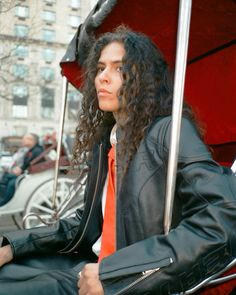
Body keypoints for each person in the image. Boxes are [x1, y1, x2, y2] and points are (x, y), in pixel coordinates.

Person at [0, 26, 236, 295]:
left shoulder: (169, 131)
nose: (103, 78)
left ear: (144, 79)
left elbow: (225, 213)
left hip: (128, 280)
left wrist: (116, 274)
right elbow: (90, 221)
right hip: (89, 264)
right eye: (100, 68)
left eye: (118, 68)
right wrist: (15, 246)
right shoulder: (109, 141)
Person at [0, 133, 44, 206]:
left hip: (31, 176)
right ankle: (3, 197)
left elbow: (31, 165)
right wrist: (21, 169)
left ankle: (5, 202)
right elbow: (27, 164)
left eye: (25, 139)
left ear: (31, 141)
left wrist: (21, 170)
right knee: (6, 176)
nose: (22, 140)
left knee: (11, 183)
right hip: (28, 173)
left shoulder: (37, 151)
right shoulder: (33, 150)